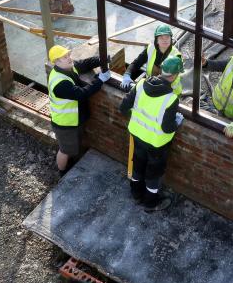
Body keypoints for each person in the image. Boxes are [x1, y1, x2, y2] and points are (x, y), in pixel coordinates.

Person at [120, 56, 185, 212]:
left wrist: (138, 120)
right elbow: (167, 128)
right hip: (156, 143)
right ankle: (150, 204)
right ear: (175, 76)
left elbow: (123, 108)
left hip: (137, 135)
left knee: (138, 164)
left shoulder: (141, 84)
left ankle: (135, 194)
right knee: (153, 174)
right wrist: (177, 121)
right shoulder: (171, 99)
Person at [47, 44, 109, 175]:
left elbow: (85, 63)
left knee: (71, 147)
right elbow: (81, 93)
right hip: (65, 124)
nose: (69, 58)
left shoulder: (67, 67)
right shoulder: (60, 83)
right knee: (65, 150)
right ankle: (62, 171)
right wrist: (100, 80)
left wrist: (102, 59)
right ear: (57, 62)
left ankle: (69, 161)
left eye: (68, 55)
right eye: (65, 57)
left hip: (72, 120)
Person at [122, 24, 183, 96]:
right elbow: (136, 63)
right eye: (161, 37)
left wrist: (145, 86)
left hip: (170, 93)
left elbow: (168, 80)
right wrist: (127, 74)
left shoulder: (176, 56)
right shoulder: (151, 48)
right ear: (156, 40)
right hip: (151, 86)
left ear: (171, 39)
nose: (165, 40)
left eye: (167, 37)